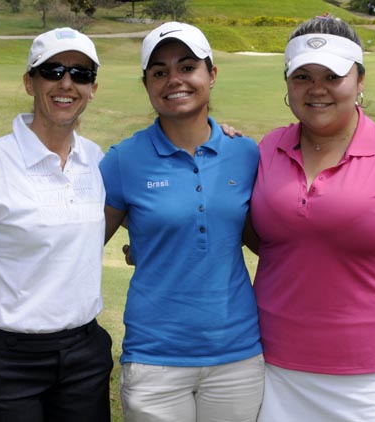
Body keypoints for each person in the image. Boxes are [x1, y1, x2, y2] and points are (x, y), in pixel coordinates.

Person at [248, 16, 375, 421]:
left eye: (332, 75)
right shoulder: (267, 148)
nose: (317, 89)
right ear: (288, 85)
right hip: (270, 363)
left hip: (369, 375)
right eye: (303, 76)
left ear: (359, 81)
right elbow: (248, 229)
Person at [0, 27, 113, 421]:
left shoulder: (98, 161)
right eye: (53, 70)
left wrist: (217, 134)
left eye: (80, 74)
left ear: (93, 88)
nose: (67, 83)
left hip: (84, 356)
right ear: (30, 82)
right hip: (5, 364)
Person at [100, 21, 264, 422]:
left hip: (238, 357)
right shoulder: (123, 160)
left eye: (187, 67)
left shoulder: (247, 153)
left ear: (211, 74)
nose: (174, 79)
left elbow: (265, 237)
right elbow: (80, 238)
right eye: (159, 72)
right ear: (146, 84)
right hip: (155, 359)